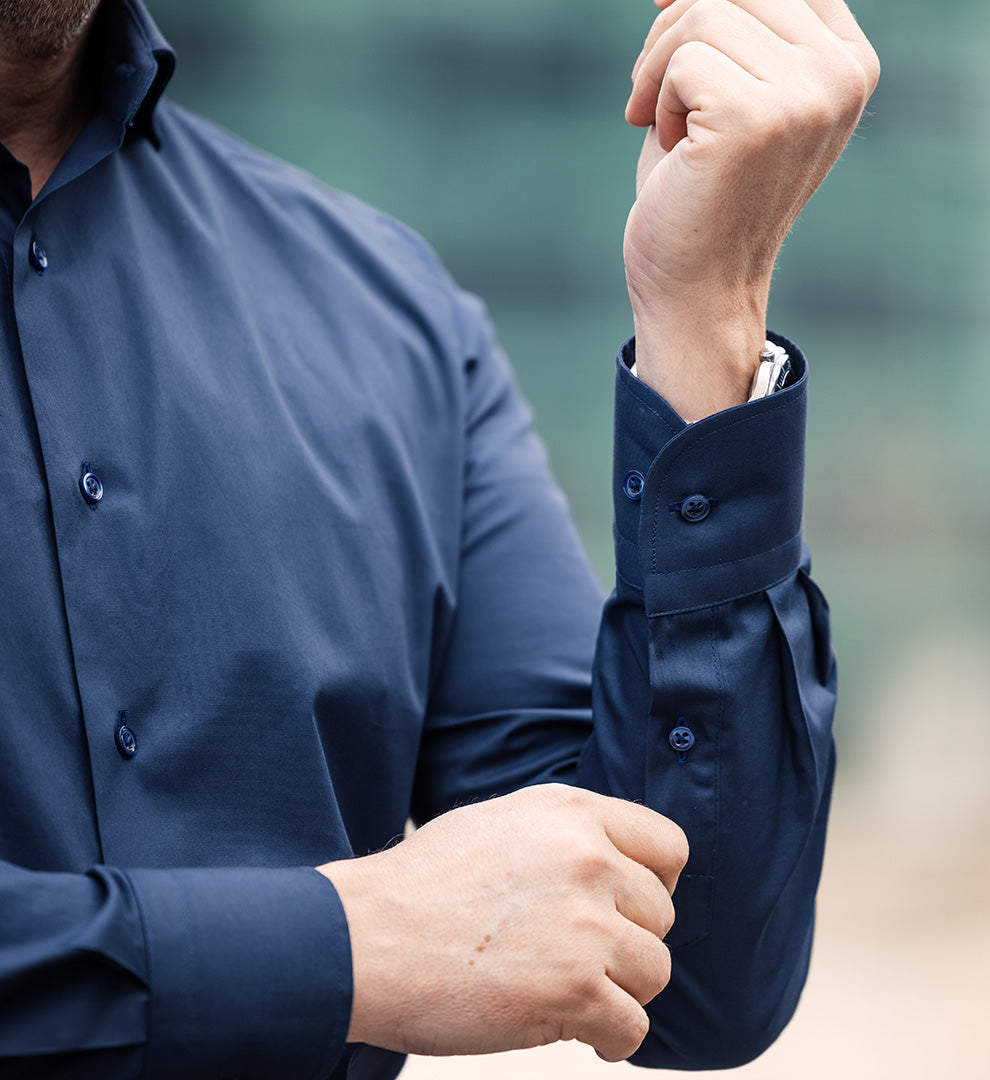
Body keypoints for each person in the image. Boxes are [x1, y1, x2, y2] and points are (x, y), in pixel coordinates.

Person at [0, 0, 878, 1076]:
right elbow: (379, 946)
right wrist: (347, 948)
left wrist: (708, 311)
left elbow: (677, 970)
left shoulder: (385, 314)